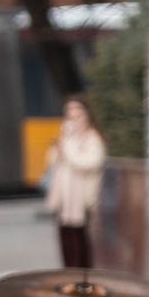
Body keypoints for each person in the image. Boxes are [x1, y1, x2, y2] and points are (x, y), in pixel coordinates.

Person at [45, 95, 107, 269]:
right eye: (69, 110)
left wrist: (68, 149)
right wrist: (61, 143)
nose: (73, 114)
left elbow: (90, 163)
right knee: (65, 237)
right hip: (64, 197)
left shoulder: (92, 137)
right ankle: (69, 274)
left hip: (82, 199)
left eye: (77, 109)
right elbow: (52, 162)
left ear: (86, 112)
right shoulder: (66, 136)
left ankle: (83, 277)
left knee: (80, 239)